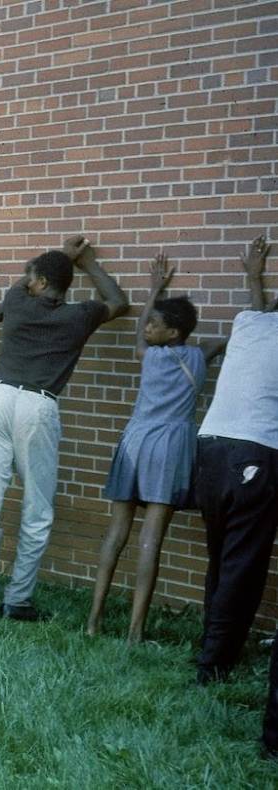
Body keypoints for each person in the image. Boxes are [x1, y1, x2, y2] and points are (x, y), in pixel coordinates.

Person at [0, 236, 129, 621]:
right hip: (38, 406)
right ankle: (17, 601)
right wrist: (86, 263)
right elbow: (120, 302)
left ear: (38, 281)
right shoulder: (81, 315)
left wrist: (60, 258)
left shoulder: (18, 303)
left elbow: (26, 279)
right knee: (36, 510)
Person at [86, 253, 230, 643]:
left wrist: (153, 291)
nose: (147, 327)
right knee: (152, 538)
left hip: (135, 441)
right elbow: (224, 342)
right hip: (170, 448)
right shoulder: (199, 357)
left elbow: (137, 336)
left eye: (155, 324)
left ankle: (94, 621)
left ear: (173, 332)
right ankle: (135, 631)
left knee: (117, 532)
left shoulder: (149, 358)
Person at [191, 235, 278, 688]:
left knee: (221, 558)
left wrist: (254, 274)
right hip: (254, 453)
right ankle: (215, 664)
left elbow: (260, 302)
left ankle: (212, 647)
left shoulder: (249, 324)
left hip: (210, 448)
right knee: (243, 565)